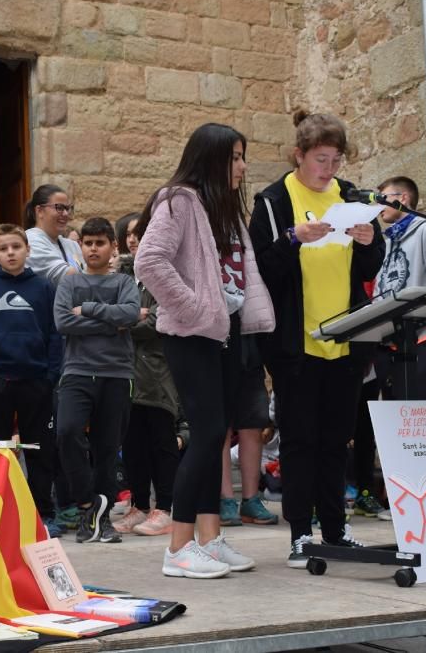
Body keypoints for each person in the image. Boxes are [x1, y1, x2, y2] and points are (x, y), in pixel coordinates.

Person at [136, 122, 275, 579]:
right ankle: (178, 548)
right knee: (207, 430)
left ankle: (210, 541)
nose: (242, 166)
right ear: (212, 159)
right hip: (192, 331)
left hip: (226, 331)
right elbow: (149, 261)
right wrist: (193, 307)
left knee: (218, 434)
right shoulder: (178, 200)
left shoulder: (225, 209)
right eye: (234, 157)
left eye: (243, 156)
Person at [249, 110, 384, 569]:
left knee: (336, 438)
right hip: (295, 344)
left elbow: (369, 268)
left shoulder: (352, 197)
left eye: (336, 159)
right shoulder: (273, 200)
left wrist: (369, 241)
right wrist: (294, 237)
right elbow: (262, 266)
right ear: (299, 155)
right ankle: (301, 534)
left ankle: (337, 529)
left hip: (347, 339)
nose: (329, 168)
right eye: (321, 159)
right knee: (300, 439)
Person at [0, 224, 62, 537]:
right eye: (3, 248)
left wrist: (49, 376)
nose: (10, 253)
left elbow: (54, 334)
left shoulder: (43, 287)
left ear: (27, 250)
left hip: (35, 382)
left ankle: (43, 514)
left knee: (41, 452)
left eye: (16, 247)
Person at [54, 217, 139, 544]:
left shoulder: (124, 283)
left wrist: (87, 309)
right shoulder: (69, 283)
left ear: (111, 247)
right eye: (87, 243)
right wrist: (109, 322)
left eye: (99, 243)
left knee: (107, 447)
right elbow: (62, 322)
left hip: (116, 373)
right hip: (76, 371)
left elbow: (130, 314)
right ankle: (88, 503)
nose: (93, 249)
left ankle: (100, 521)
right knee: (67, 432)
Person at [113, 218, 181, 537]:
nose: (133, 239)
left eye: (139, 233)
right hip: (127, 374)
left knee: (162, 442)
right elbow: (107, 315)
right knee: (134, 444)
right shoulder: (123, 278)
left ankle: (165, 507)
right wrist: (126, 316)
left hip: (158, 373)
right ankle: (138, 505)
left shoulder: (162, 275)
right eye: (128, 234)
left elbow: (157, 321)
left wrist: (122, 320)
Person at [373, 176, 426, 401]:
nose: (379, 208)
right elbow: (381, 288)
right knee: (396, 417)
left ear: (403, 198)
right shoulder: (386, 242)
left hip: (422, 338)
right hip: (390, 341)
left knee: (425, 414)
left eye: (383, 199)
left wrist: (419, 322)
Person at [219, 372, 279, 527]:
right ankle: (225, 499)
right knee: (221, 424)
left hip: (250, 358)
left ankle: (250, 500)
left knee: (253, 421)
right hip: (217, 355)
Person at [24, 184, 84, 286]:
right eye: (59, 207)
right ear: (39, 211)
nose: (65, 214)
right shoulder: (29, 241)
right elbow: (67, 276)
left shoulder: (72, 245)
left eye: (68, 208)